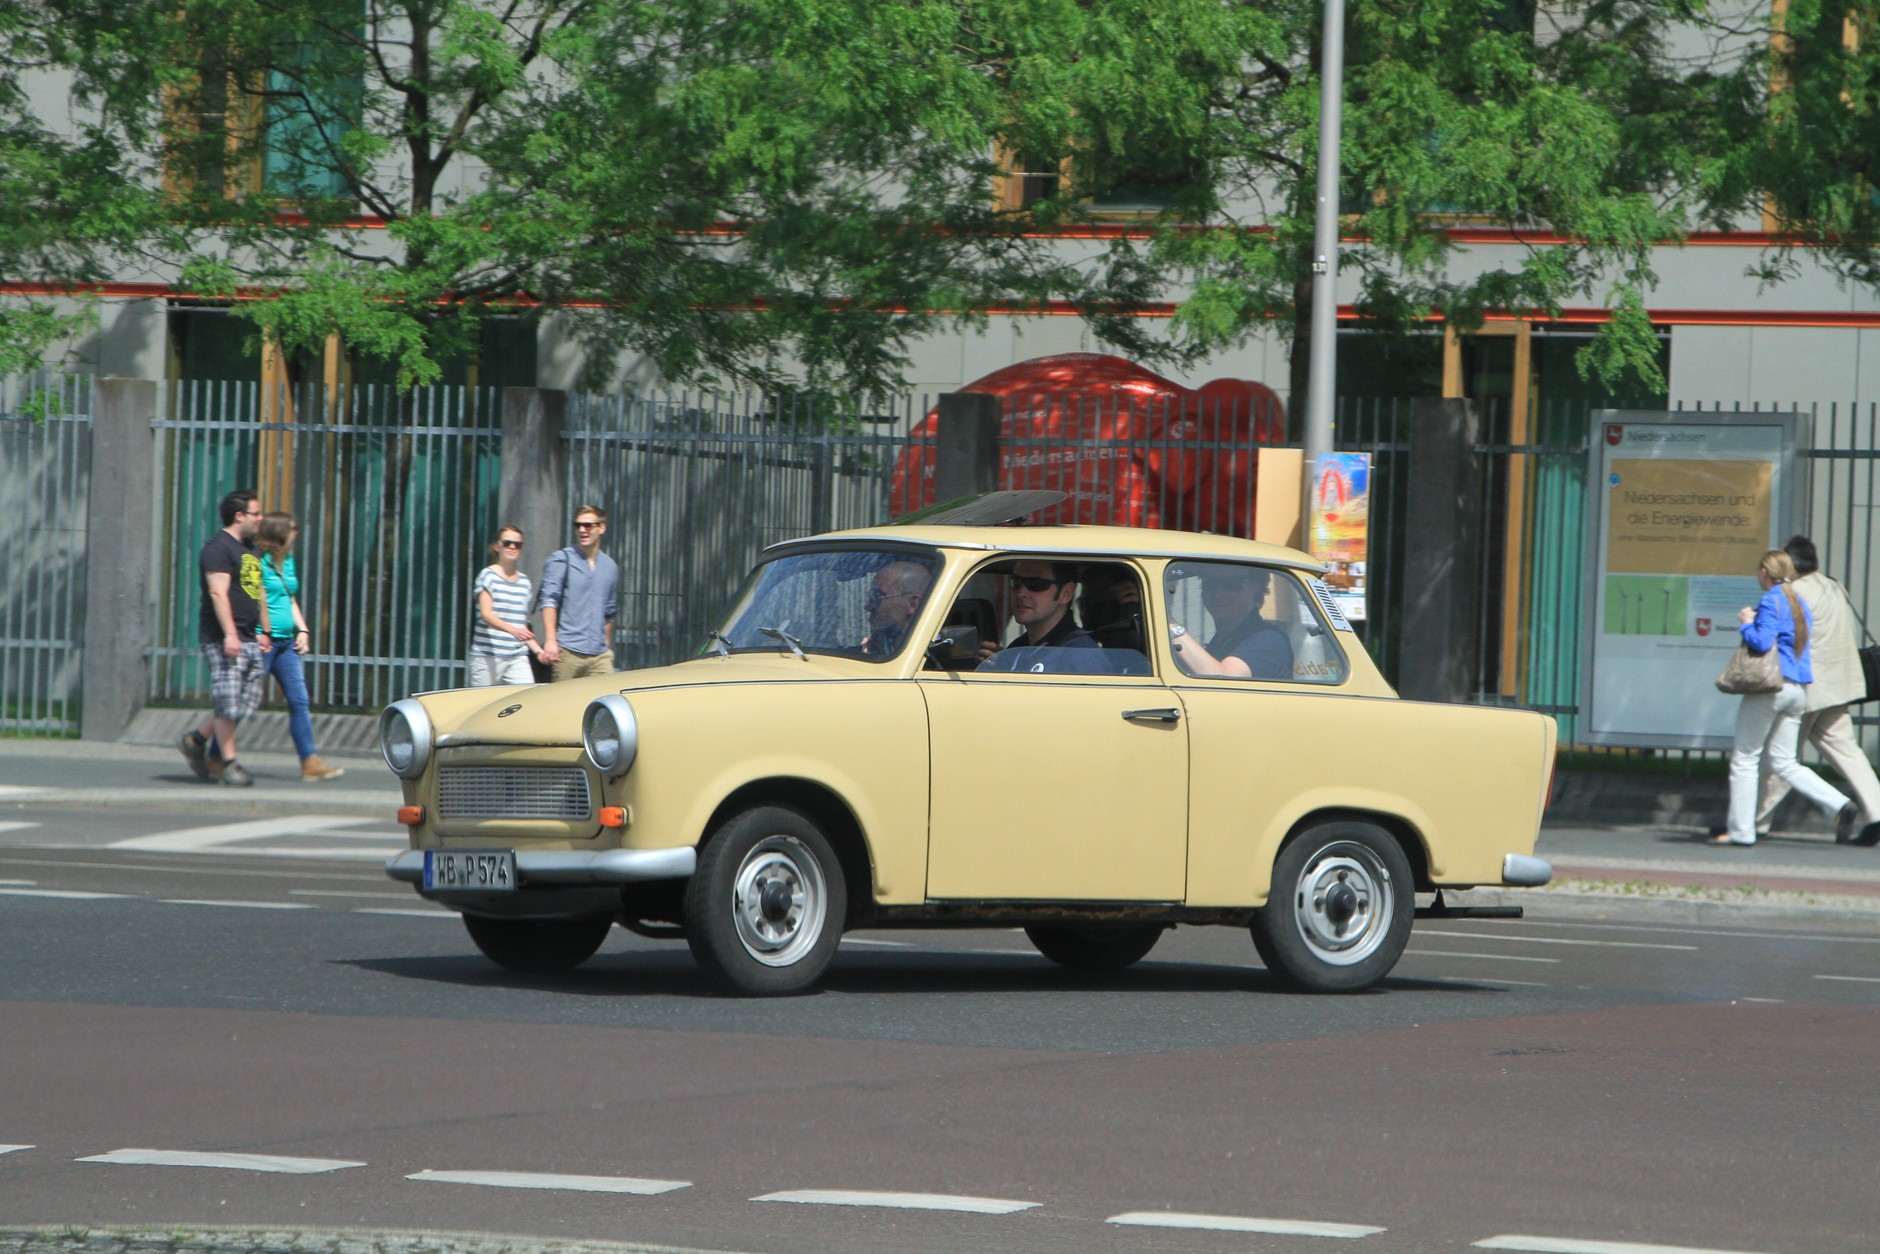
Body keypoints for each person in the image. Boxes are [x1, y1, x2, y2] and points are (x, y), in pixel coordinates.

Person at [1714, 548, 1856, 846]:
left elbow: (1762, 640)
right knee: (1785, 762)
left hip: (1771, 689)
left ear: (1765, 573)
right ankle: (1839, 803)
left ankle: (1741, 832)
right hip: (1797, 690)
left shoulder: (1771, 600)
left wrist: (1745, 621)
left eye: (1758, 571)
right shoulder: (1798, 601)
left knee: (1745, 759)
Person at [1754, 535, 1880, 843]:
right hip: (1839, 686)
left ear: (1791, 564)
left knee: (1779, 758)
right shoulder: (1832, 585)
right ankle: (1878, 813)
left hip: (1808, 688)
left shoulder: (1792, 593)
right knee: (1847, 751)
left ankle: (1753, 824)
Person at [178, 488, 270, 788]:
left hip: (250, 638)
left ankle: (195, 740)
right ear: (239, 515)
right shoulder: (217, 549)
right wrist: (230, 634)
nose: (261, 518)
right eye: (256, 513)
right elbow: (218, 592)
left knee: (244, 703)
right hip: (223, 638)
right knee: (228, 703)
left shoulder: (251, 549)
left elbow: (260, 592)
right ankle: (229, 764)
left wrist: (265, 631)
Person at [254, 512, 345, 782]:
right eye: (293, 528)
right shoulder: (258, 561)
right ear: (280, 532)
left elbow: (288, 596)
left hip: (286, 644)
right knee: (244, 701)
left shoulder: (288, 561)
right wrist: (265, 632)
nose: (297, 533)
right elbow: (257, 598)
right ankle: (209, 746)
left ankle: (309, 762)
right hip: (263, 643)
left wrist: (302, 629)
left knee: (299, 700)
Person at [537, 504, 619, 681]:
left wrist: (606, 642)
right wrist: (550, 640)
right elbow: (549, 600)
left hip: (599, 656)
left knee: (601, 702)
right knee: (562, 705)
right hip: (568, 652)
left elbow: (609, 610)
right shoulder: (561, 559)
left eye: (588, 525)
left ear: (601, 528)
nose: (582, 530)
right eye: (578, 525)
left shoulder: (610, 566)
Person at [1168, 564, 1293, 680]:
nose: (1219, 593)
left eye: (1232, 584)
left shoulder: (1269, 640)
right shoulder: (1222, 640)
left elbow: (1223, 680)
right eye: (1211, 583)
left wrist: (1170, 625)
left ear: (1255, 588)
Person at [976, 561, 1094, 663]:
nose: (1021, 593)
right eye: (1016, 583)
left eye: (1036, 584)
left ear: (1066, 593)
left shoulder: (1080, 653)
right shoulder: (1017, 648)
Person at [469, 524, 541, 686]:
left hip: (517, 656)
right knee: (482, 705)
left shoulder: (524, 582)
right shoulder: (488, 575)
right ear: (497, 547)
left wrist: (538, 651)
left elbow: (521, 625)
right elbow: (486, 615)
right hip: (487, 656)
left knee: (525, 699)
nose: (512, 547)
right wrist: (513, 631)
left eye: (517, 544)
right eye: (507, 543)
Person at [861, 559, 934, 657]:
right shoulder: (877, 646)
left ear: (912, 604)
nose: (867, 606)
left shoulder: (931, 659)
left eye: (878, 596)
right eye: (871, 596)